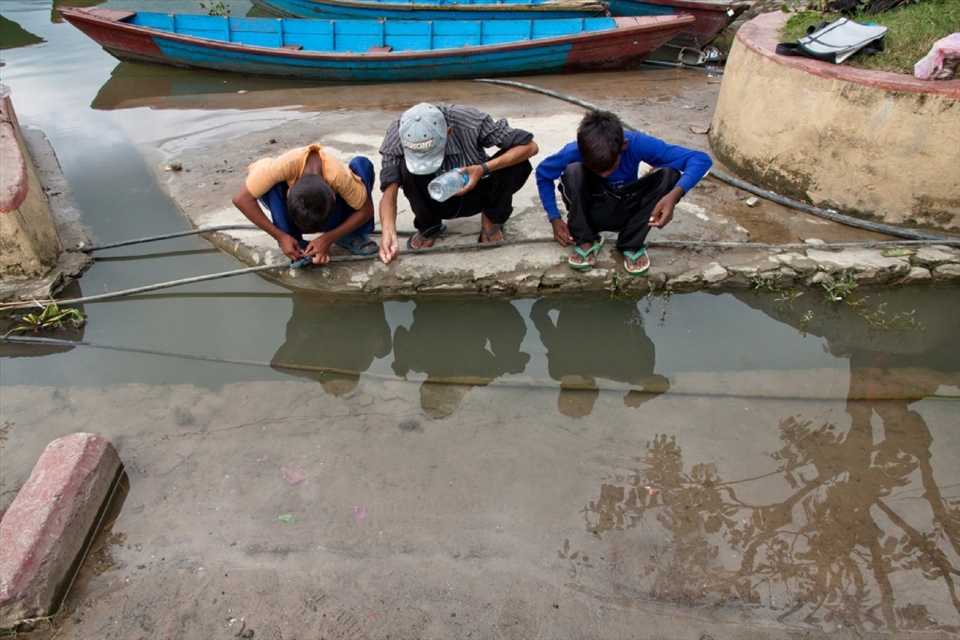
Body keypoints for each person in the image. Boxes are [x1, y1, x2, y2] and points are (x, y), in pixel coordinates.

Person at [535, 110, 712, 275]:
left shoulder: (638, 144)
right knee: (573, 172)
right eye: (596, 169)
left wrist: (674, 196)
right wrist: (554, 218)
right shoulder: (574, 151)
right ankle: (585, 238)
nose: (604, 174)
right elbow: (543, 173)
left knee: (669, 174)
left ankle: (631, 243)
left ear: (623, 146)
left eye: (609, 167)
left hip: (630, 209)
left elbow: (701, 159)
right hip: (593, 208)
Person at [377, 102, 539, 264]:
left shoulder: (470, 121)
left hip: (478, 189)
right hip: (434, 196)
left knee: (517, 162)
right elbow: (389, 193)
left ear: (448, 133)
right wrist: (388, 231)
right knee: (404, 169)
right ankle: (429, 226)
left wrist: (482, 169)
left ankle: (491, 220)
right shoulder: (397, 135)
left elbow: (530, 147)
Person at [232, 144, 377, 265]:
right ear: (288, 193)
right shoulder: (280, 167)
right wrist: (281, 236)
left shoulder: (339, 177)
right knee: (268, 187)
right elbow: (241, 199)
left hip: (334, 212)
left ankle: (350, 234)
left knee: (362, 164)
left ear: (333, 197)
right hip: (291, 203)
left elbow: (366, 211)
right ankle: (294, 241)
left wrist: (328, 238)